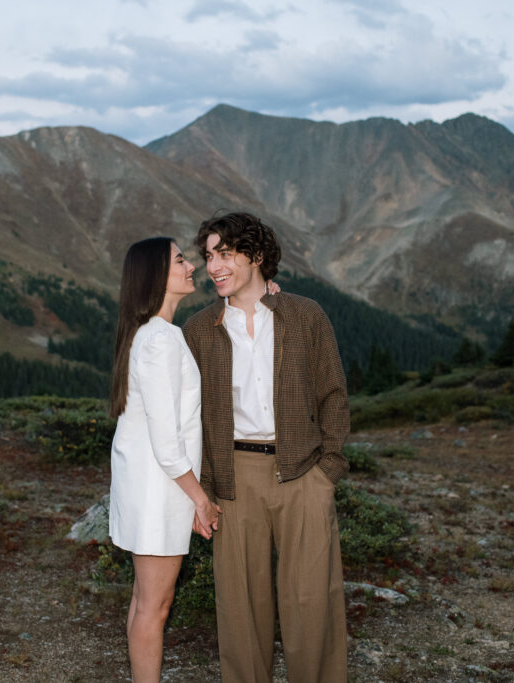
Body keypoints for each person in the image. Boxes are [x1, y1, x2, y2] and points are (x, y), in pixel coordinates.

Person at [182, 212, 350, 683]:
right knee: (240, 610)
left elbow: (333, 395)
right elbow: (186, 415)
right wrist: (202, 491)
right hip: (232, 478)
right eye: (209, 255)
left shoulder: (305, 315)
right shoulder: (200, 329)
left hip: (303, 472)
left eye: (226, 254)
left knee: (311, 602)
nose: (213, 266)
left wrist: (327, 473)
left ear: (256, 257)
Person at [108, 236, 221, 683]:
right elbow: (167, 440)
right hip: (160, 491)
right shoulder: (162, 340)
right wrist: (201, 500)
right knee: (155, 608)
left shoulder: (147, 335)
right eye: (180, 260)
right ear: (157, 275)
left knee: (144, 601)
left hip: (147, 485)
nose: (191, 266)